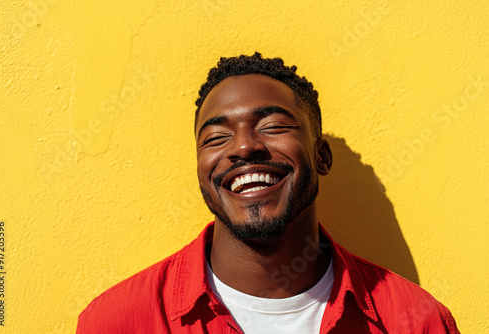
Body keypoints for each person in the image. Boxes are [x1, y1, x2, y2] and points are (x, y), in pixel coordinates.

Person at [76, 52, 459, 333]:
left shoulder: (416, 321)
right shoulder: (119, 321)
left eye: (273, 126)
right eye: (216, 137)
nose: (243, 148)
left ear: (320, 157)